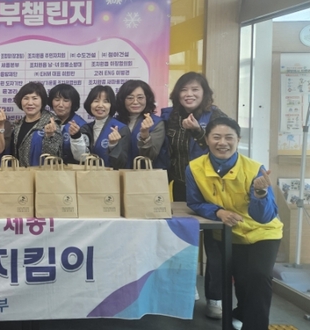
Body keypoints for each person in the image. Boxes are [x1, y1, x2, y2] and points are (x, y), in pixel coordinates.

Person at [186, 117, 282, 330]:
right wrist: (218, 212)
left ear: (238, 140)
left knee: (259, 276)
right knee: (242, 281)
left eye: (229, 137)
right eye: (216, 137)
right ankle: (240, 313)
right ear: (207, 140)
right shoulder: (194, 168)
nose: (223, 143)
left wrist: (260, 193)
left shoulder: (255, 169)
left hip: (263, 233)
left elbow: (265, 217)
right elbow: (195, 202)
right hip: (228, 234)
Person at [161, 71, 227, 318]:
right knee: (183, 240)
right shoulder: (170, 117)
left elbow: (223, 149)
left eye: (195, 89)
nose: (189, 94)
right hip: (180, 185)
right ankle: (187, 288)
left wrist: (199, 132)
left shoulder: (217, 117)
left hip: (211, 187)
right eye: (184, 89)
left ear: (205, 93)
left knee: (214, 245)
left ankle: (215, 298)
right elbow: (165, 152)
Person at [73, 85, 130, 170]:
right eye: (96, 101)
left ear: (111, 105)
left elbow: (121, 164)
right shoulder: (86, 128)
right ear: (90, 104)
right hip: (87, 175)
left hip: (111, 177)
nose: (100, 105)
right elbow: (80, 157)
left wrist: (113, 145)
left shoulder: (121, 129)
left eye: (105, 101)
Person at [115, 80, 167, 168]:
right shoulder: (115, 123)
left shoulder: (156, 123)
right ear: (122, 100)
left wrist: (145, 136)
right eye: (130, 98)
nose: (135, 102)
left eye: (140, 97)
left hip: (145, 175)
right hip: (118, 174)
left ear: (147, 99)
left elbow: (151, 156)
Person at [9, 82, 61, 167]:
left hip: (43, 174)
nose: (30, 103)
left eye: (35, 98)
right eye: (26, 98)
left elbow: (53, 157)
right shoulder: (17, 125)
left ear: (42, 101)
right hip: (21, 173)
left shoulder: (51, 123)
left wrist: (50, 137)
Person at [48, 83, 86, 164]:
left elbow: (84, 157)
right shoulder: (47, 122)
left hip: (74, 170)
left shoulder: (81, 125)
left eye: (66, 101)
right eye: (57, 100)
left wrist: (76, 136)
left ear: (73, 103)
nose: (60, 105)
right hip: (50, 169)